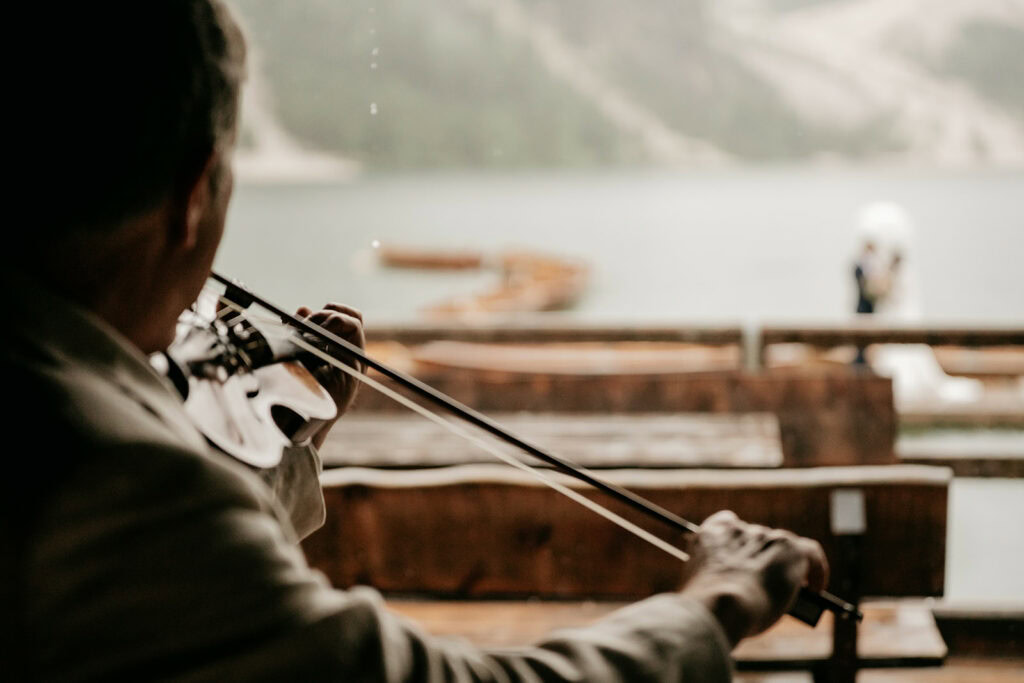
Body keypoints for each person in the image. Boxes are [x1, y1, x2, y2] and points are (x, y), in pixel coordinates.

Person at [3, 3, 827, 680]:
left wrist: (289, 441)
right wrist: (714, 603)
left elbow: (189, 601)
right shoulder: (119, 487)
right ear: (194, 199)